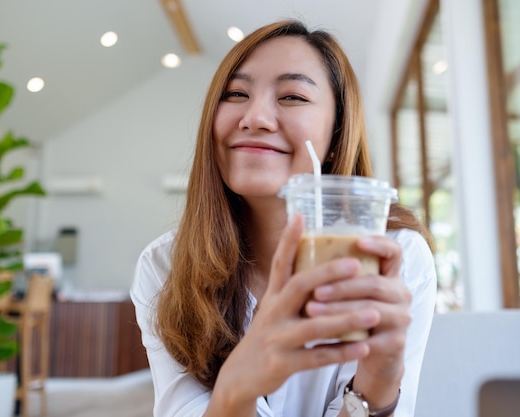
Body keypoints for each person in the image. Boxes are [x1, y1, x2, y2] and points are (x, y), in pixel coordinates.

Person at [131, 19, 437, 417]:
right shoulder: (165, 266)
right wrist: (237, 388)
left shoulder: (393, 256)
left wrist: (375, 390)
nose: (254, 117)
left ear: (336, 132)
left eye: (292, 97)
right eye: (236, 93)